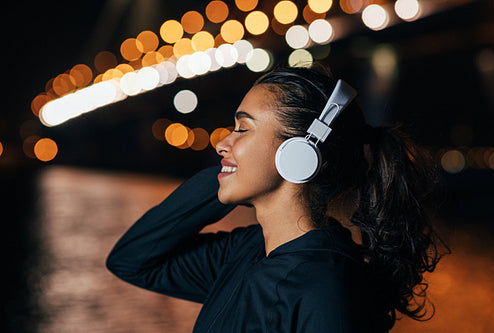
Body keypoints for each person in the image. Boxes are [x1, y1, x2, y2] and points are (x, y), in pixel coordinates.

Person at [106, 65, 446, 332]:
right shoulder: (245, 253)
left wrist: (234, 169)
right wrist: (227, 174)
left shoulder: (325, 289)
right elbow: (132, 260)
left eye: (242, 129)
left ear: (297, 153)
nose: (221, 142)